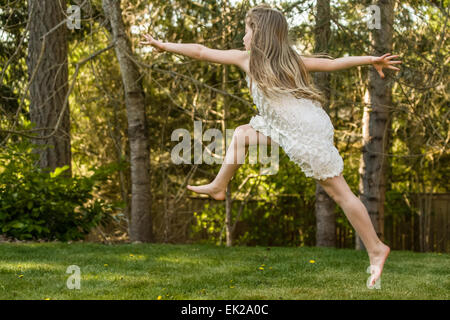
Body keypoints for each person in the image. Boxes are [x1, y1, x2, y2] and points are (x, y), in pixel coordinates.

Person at [140, 3, 402, 288]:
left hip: (304, 132)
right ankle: (218, 186)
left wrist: (369, 60)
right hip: (288, 127)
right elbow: (201, 52)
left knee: (340, 193)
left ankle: (376, 248)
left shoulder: (261, 60)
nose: (243, 37)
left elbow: (332, 62)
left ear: (260, 33)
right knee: (242, 134)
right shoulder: (278, 60)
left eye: (247, 30)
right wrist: (164, 46)